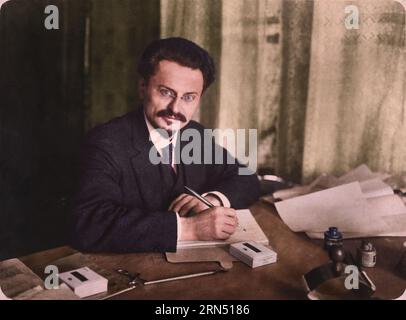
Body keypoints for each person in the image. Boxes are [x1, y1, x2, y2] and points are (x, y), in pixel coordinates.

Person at [70, 37, 260, 253]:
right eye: (166, 92)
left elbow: (246, 177)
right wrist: (189, 228)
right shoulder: (104, 142)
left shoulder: (194, 134)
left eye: (188, 97)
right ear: (143, 87)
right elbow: (89, 223)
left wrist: (212, 200)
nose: (175, 108)